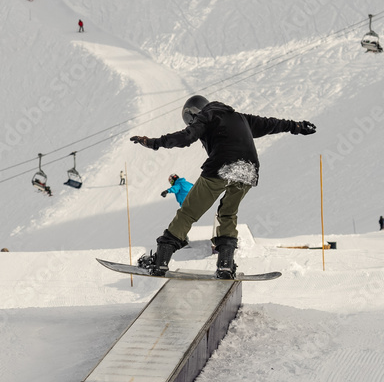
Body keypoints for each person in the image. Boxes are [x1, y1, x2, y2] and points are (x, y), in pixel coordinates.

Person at [131, 95, 316, 279]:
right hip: (248, 169)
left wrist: (153, 142)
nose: (191, 125)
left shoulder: (206, 116)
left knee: (188, 212)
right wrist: (297, 126)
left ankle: (160, 261)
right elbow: (271, 124)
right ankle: (225, 265)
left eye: (190, 121)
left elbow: (186, 137)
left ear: (193, 114)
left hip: (221, 166)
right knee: (228, 214)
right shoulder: (240, 117)